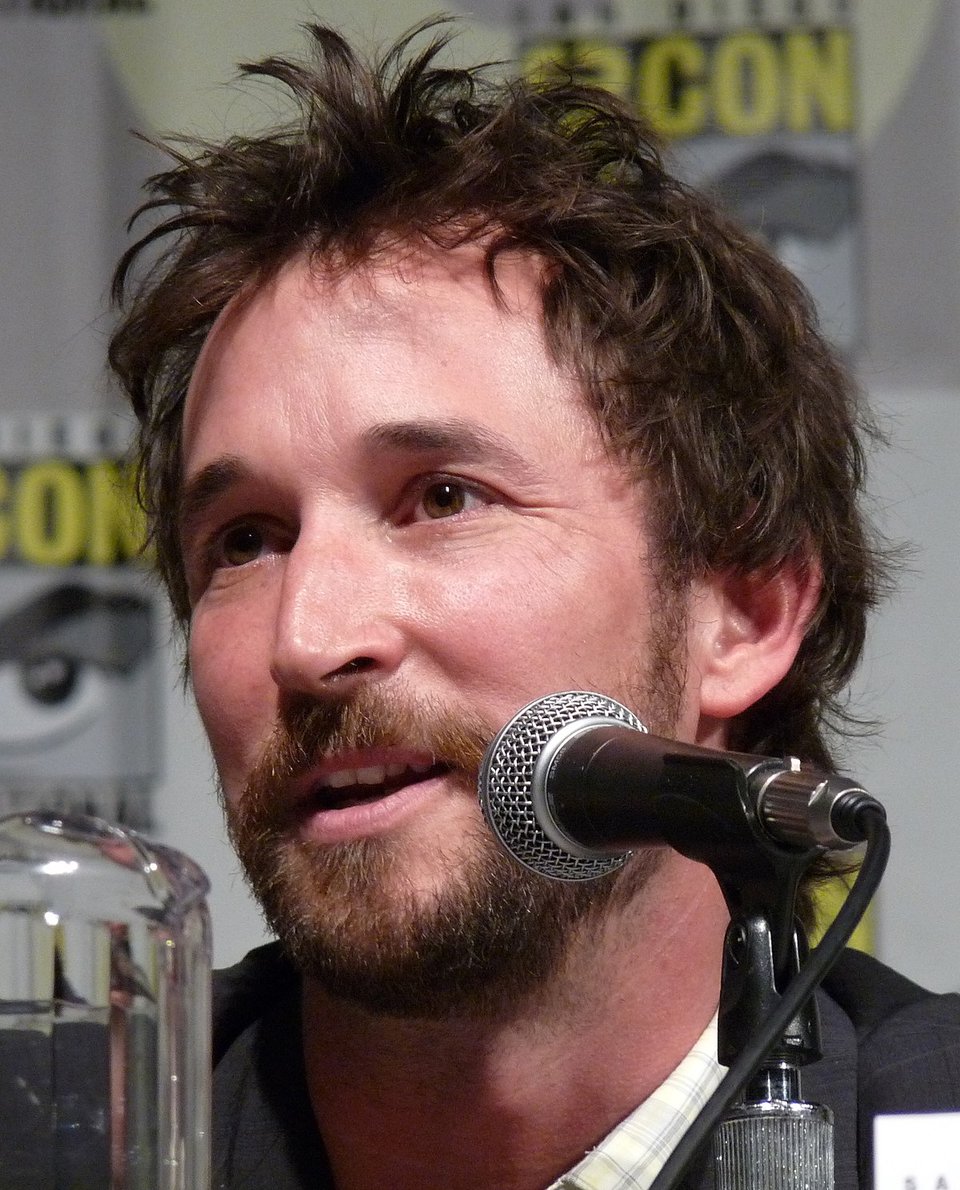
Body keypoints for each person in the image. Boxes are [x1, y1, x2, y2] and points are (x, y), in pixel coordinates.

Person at [108, 21, 960, 1190]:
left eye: (442, 497)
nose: (309, 638)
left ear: (748, 612)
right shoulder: (81, 1137)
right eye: (245, 540)